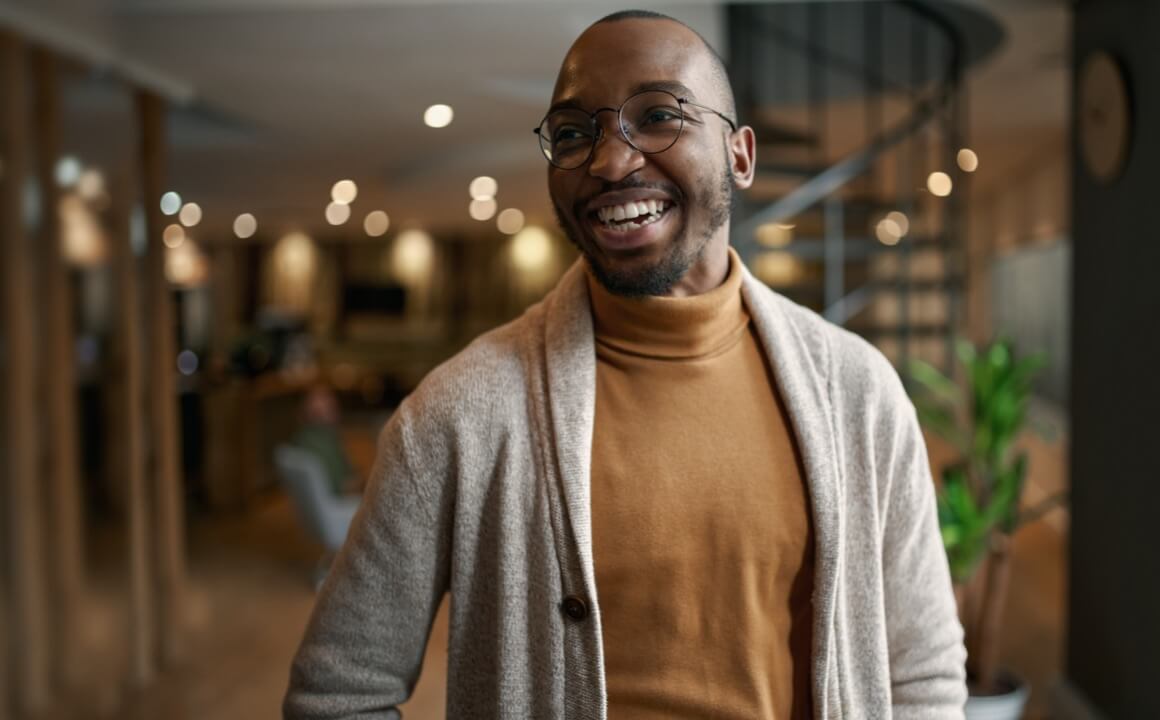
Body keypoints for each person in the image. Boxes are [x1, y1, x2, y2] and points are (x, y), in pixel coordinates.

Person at [285, 10, 965, 719]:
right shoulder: (456, 415)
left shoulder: (858, 393)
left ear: (741, 154)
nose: (610, 163)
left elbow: (921, 672)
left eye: (660, 115)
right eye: (575, 133)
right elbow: (337, 693)